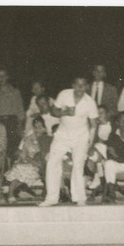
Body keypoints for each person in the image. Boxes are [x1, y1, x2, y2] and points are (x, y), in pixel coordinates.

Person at [40, 75, 98, 207]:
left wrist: (91, 143)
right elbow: (54, 111)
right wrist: (65, 112)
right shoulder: (64, 94)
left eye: (83, 85)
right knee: (52, 162)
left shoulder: (90, 102)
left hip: (81, 136)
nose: (79, 88)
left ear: (87, 87)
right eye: (77, 84)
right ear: (73, 85)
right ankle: (51, 198)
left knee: (78, 166)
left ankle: (79, 198)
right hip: (62, 135)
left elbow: (94, 124)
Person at [5, 115, 51, 202]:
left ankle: (10, 193)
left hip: (41, 164)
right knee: (19, 169)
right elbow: (23, 154)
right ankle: (10, 193)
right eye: (36, 127)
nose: (38, 129)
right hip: (29, 162)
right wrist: (23, 160)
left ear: (44, 127)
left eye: (40, 127)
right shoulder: (29, 139)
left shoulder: (48, 139)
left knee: (23, 172)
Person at [0, 69, 26, 156]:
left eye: (4, 76)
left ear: (7, 77)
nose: (1, 78)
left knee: (12, 148)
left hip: (12, 123)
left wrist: (20, 126)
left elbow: (20, 111)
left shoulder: (15, 92)